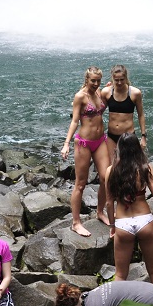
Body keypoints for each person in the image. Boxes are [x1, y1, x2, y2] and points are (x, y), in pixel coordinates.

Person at [105, 132, 153, 288]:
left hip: (123, 224)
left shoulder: (110, 171)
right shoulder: (145, 168)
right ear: (137, 149)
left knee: (120, 275)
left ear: (119, 149)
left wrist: (112, 226)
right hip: (144, 220)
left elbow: (109, 203)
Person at [62, 67, 112, 236]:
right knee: (80, 184)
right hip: (83, 143)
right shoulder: (80, 97)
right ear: (86, 80)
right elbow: (75, 121)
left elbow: (102, 110)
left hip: (100, 141)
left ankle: (99, 212)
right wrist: (66, 143)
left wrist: (109, 88)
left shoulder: (99, 92)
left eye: (98, 80)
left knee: (106, 177)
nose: (96, 83)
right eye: (93, 81)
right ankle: (76, 222)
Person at [102, 65, 147, 150]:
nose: (119, 82)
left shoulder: (135, 93)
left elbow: (141, 115)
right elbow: (98, 112)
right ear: (112, 79)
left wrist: (143, 136)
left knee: (129, 163)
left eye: (122, 79)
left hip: (128, 137)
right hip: (111, 136)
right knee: (113, 163)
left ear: (126, 78)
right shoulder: (106, 92)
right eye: (116, 80)